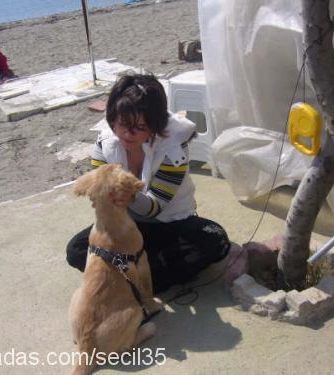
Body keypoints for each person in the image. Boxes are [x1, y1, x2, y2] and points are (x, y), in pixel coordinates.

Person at [66, 73, 231, 293]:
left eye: (140, 127)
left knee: (215, 239)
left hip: (170, 224)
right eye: (122, 123)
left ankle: (128, 277)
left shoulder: (173, 148)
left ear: (155, 125)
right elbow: (102, 196)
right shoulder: (105, 144)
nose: (128, 133)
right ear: (112, 117)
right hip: (127, 225)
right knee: (76, 249)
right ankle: (142, 277)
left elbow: (154, 208)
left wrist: (130, 196)